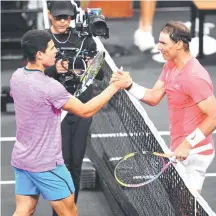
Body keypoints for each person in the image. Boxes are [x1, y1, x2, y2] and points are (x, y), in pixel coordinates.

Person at [10, 29, 131, 216]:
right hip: (47, 164)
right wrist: (115, 86)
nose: (55, 51)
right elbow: (86, 110)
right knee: (69, 212)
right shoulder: (50, 87)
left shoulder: (17, 77)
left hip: (22, 159)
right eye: (51, 48)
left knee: (25, 210)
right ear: (39, 54)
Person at [112, 21, 216, 192]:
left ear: (179, 44)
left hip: (196, 151)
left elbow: (215, 117)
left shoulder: (194, 77)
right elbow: (153, 97)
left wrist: (188, 144)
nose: (158, 47)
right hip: (178, 147)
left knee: (187, 206)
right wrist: (129, 85)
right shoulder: (170, 66)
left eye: (163, 43)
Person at [44, 1, 105, 214]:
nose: (63, 21)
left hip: (80, 109)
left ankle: (69, 210)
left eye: (67, 17)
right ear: (50, 15)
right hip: (53, 112)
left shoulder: (86, 40)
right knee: (60, 166)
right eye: (59, 17)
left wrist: (90, 67)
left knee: (75, 166)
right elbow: (31, 75)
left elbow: (101, 75)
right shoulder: (41, 40)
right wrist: (55, 69)